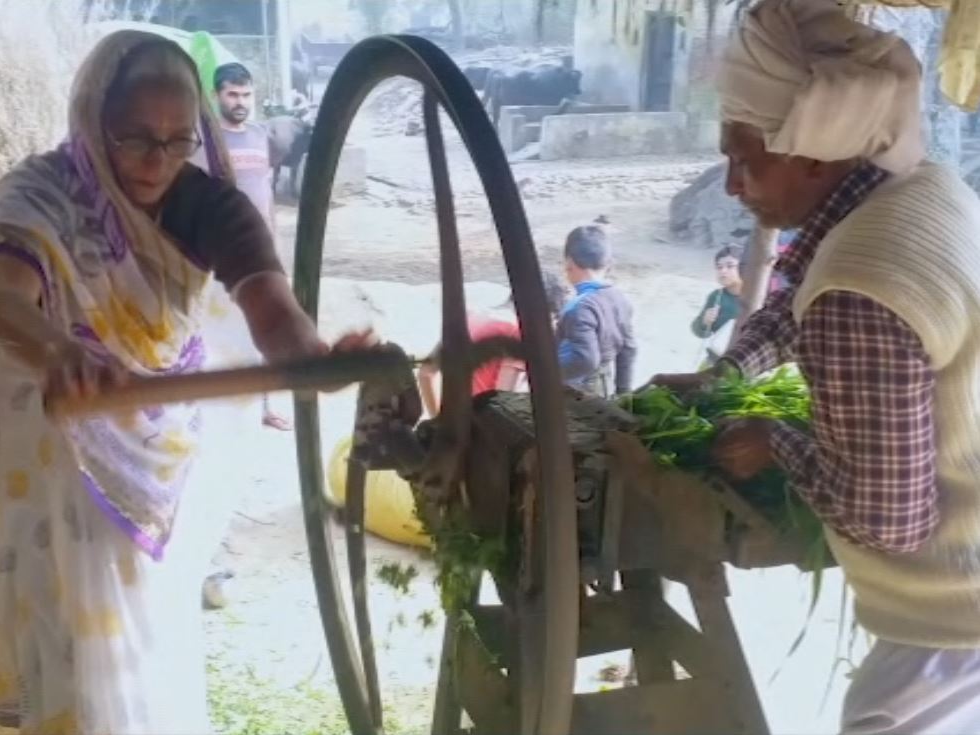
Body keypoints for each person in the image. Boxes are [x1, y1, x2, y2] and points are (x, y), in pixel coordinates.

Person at [0, 31, 370, 734]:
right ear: (95, 120)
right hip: (55, 449)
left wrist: (314, 357)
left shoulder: (212, 205)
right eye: (136, 139)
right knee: (71, 633)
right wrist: (59, 351)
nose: (159, 161)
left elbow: (271, 308)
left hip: (157, 456)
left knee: (144, 630)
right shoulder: (42, 193)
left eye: (179, 140)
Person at [652, 1, 980, 731]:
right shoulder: (921, 189)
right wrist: (725, 375)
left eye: (745, 155)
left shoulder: (858, 287)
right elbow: (795, 296)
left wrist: (774, 439)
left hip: (951, 639)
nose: (734, 183)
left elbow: (886, 518)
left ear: (812, 151)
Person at [213, 62, 291, 432]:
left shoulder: (262, 137)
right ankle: (223, 405)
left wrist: (274, 239)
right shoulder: (208, 141)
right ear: (217, 96)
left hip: (262, 250)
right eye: (232, 94)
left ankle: (266, 405)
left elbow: (267, 190)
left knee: (264, 323)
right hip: (223, 249)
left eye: (246, 94)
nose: (240, 102)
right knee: (220, 328)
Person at [417, 271, 568, 416]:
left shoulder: (468, 316)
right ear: (543, 313)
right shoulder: (516, 334)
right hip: (484, 432)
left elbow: (425, 373)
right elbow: (504, 402)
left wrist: (437, 418)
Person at [557, 225, 636, 397]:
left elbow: (586, 360)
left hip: (576, 390)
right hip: (603, 383)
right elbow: (628, 349)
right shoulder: (620, 299)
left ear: (569, 263)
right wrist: (624, 392)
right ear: (607, 264)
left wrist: (546, 373)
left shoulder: (579, 307)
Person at [691, 245, 743, 361]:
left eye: (730, 266)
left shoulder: (757, 297)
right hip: (718, 357)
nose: (723, 271)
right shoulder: (716, 297)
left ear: (744, 267)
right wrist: (704, 322)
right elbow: (699, 332)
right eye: (719, 267)